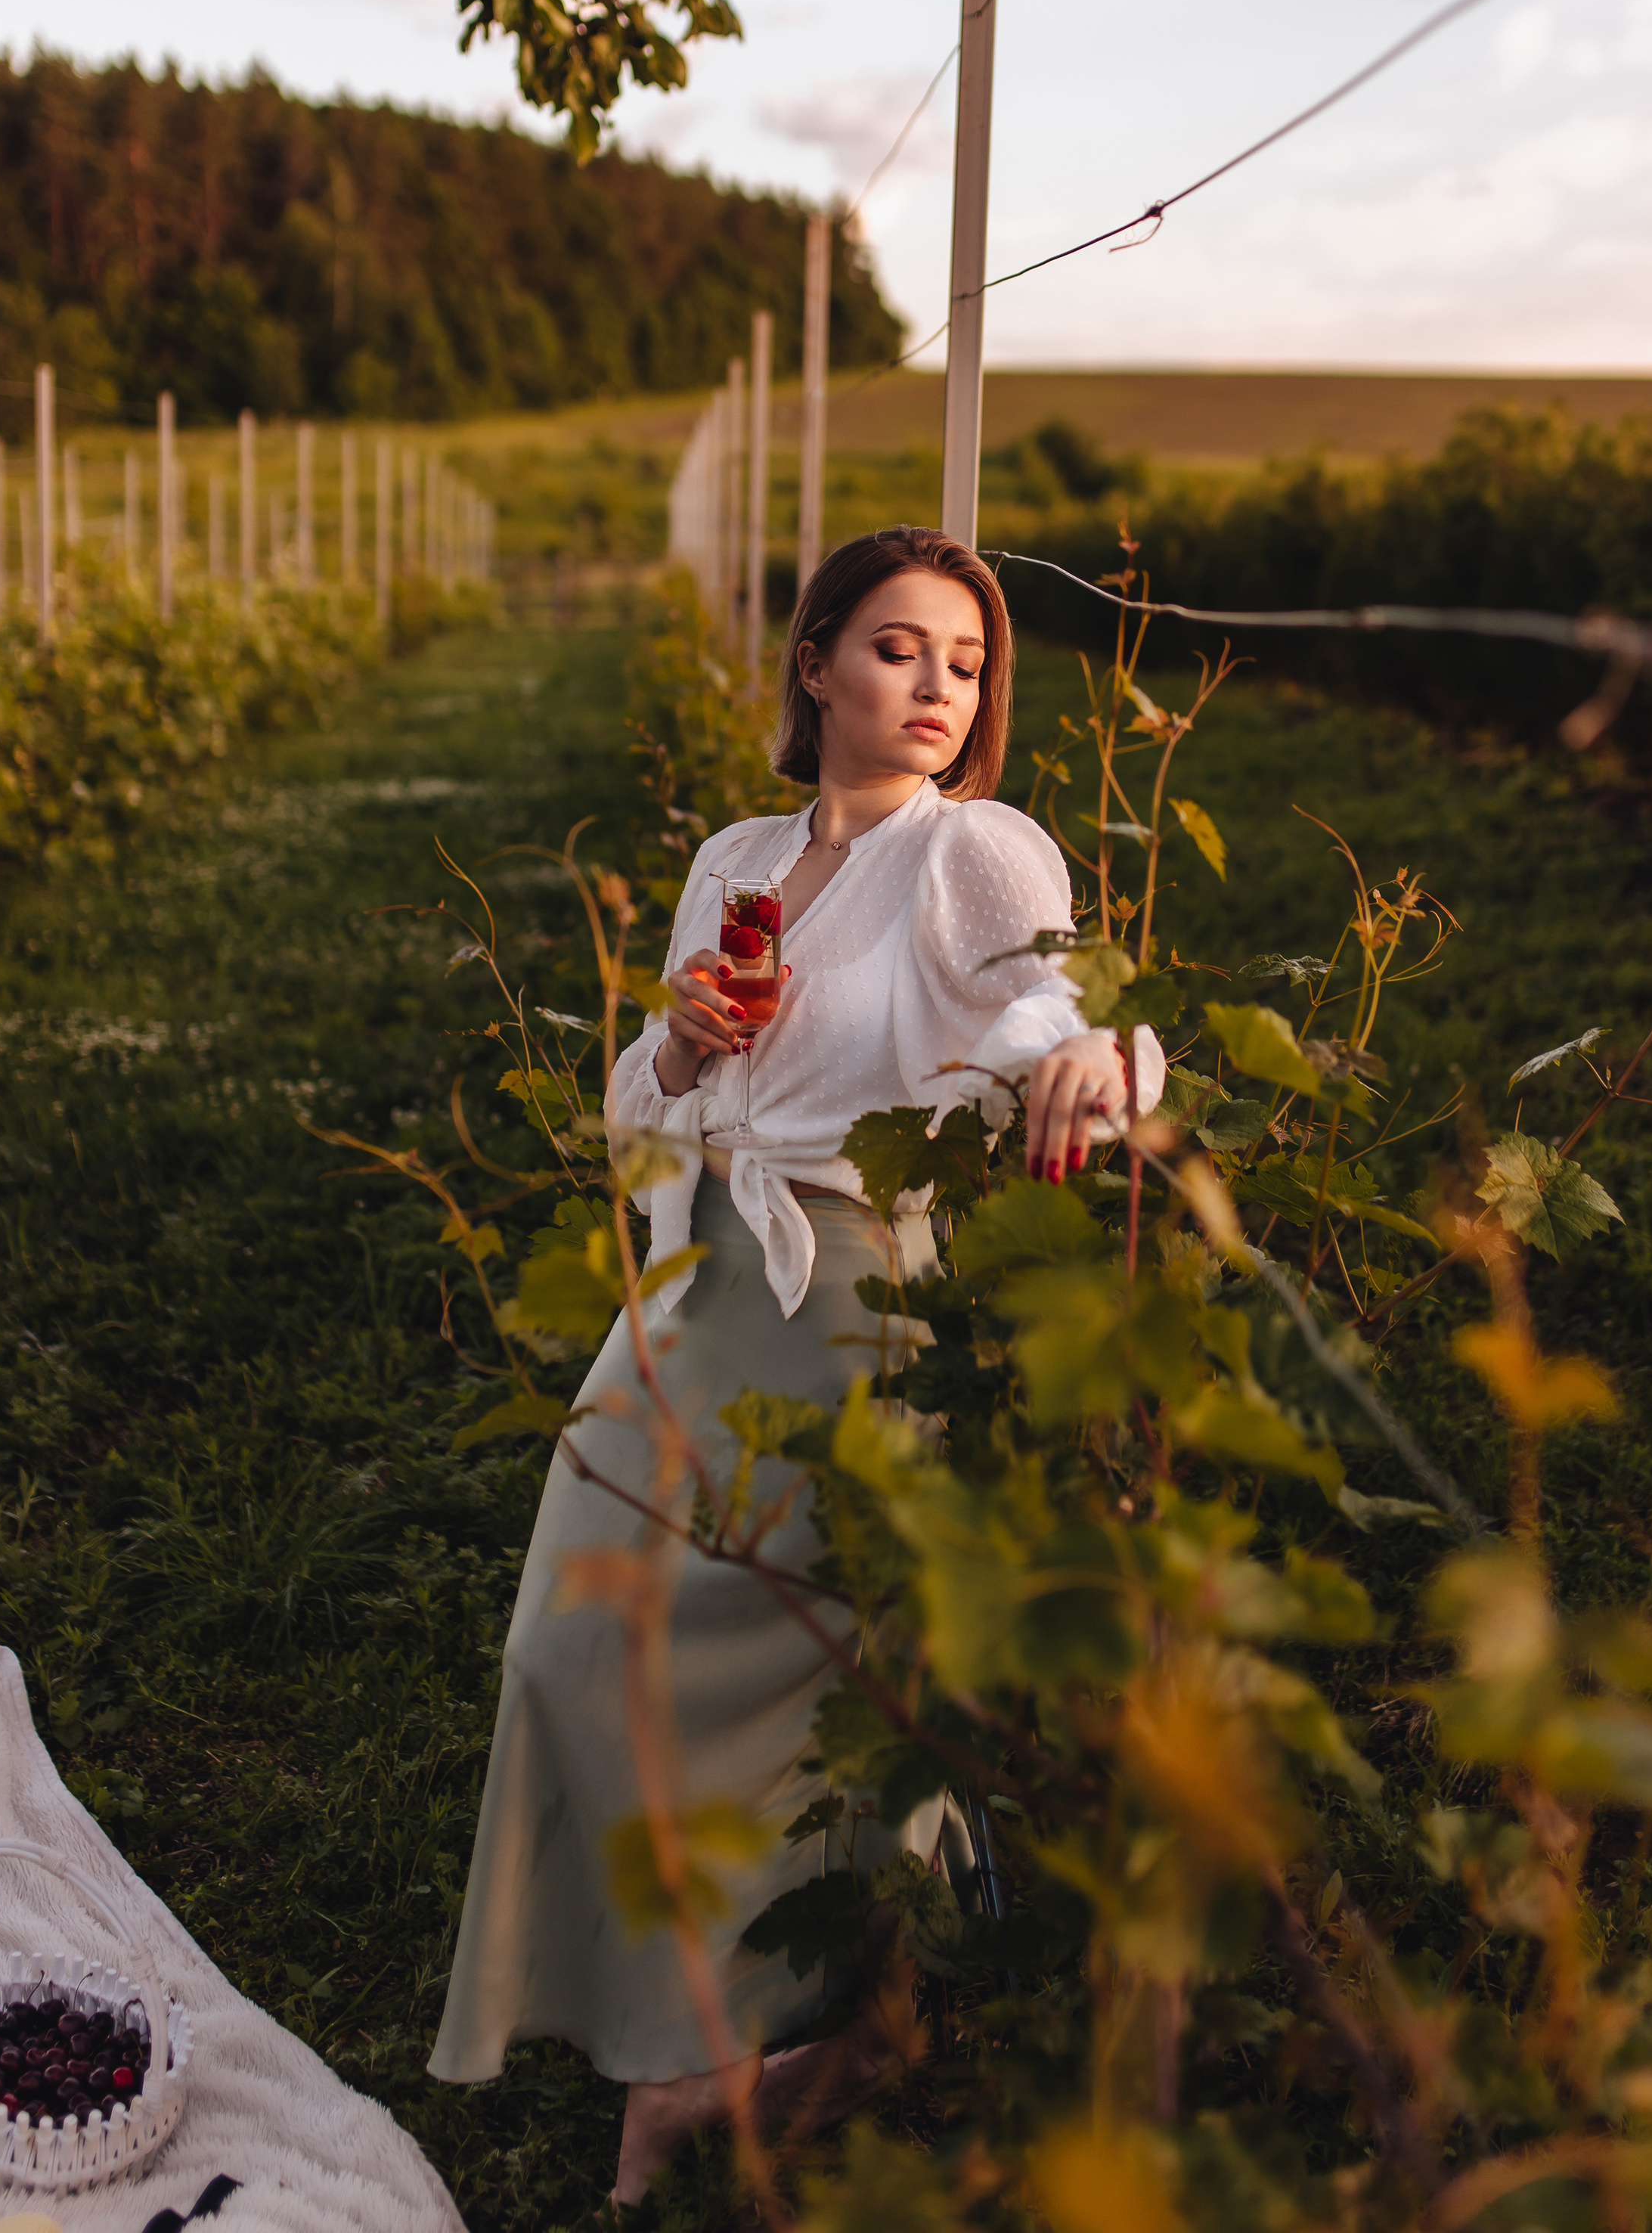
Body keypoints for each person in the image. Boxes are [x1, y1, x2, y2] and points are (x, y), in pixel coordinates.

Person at [428, 525, 1165, 2203]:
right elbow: (641, 1107)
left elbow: (1050, 1017)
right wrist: (678, 1040)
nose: (937, 689)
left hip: (839, 1293)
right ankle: (695, 2025)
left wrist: (1105, 1067)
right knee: (566, 1645)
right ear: (815, 661)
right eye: (900, 649)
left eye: (966, 666)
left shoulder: (969, 854)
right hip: (694, 1272)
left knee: (800, 1685)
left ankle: (774, 2042)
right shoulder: (736, 855)